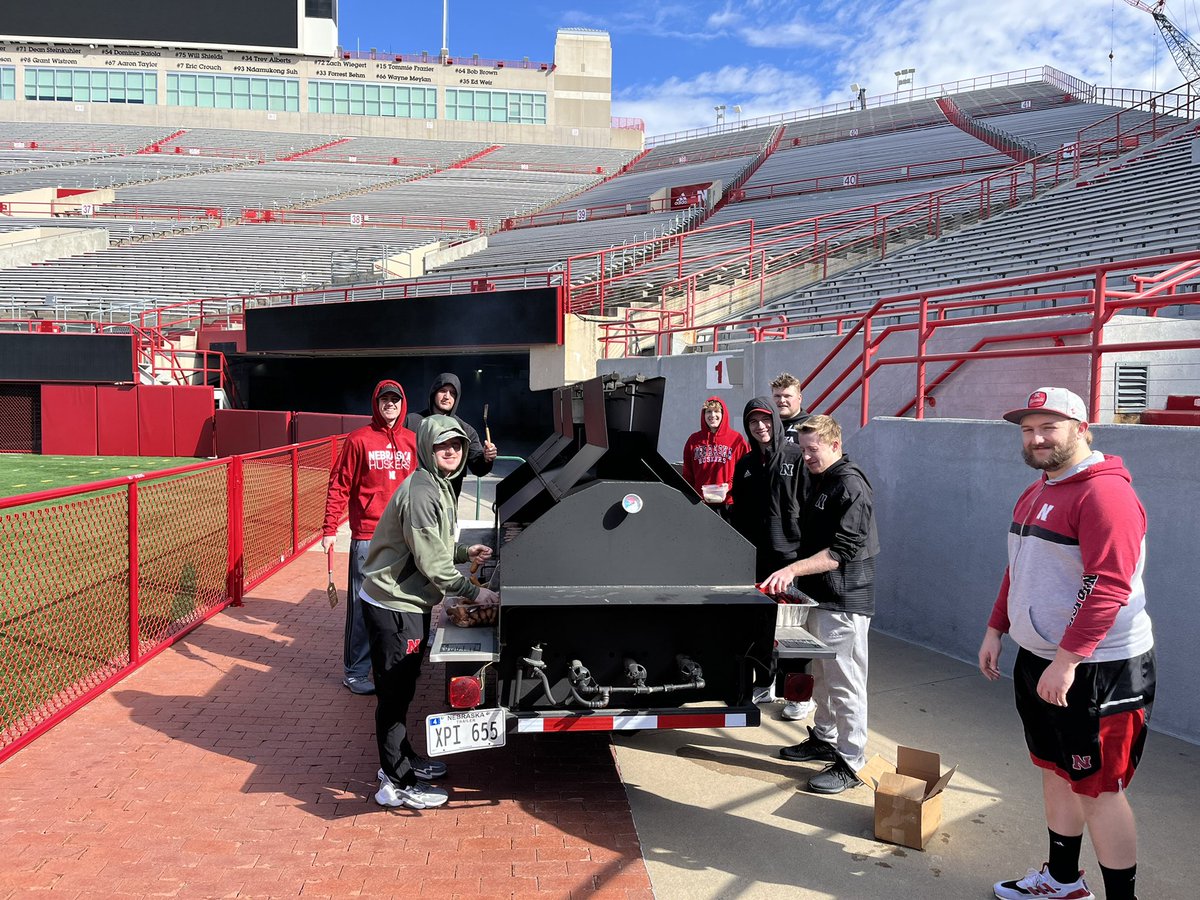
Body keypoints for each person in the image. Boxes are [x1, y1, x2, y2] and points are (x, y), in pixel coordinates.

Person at [979, 387, 1154, 900]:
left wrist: (1067, 660)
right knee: (1057, 771)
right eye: (1028, 429)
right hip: (1042, 659)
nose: (1036, 438)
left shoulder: (1105, 495)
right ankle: (1061, 881)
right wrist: (996, 628)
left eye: (1048, 427)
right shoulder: (1036, 490)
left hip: (1098, 668)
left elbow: (1108, 586)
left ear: (1082, 429)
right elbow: (1020, 569)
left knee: (1099, 790)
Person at [360, 415, 500, 809]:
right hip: (393, 603)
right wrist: (476, 592)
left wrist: (464, 552)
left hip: (409, 600)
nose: (451, 451)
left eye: (457, 444)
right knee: (393, 694)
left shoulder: (437, 484)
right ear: (426, 448)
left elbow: (433, 547)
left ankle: (404, 760)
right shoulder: (422, 492)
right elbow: (432, 565)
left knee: (403, 688)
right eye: (442, 445)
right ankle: (396, 782)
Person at [766, 414, 878, 795]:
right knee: (823, 675)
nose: (807, 456)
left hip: (845, 599)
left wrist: (792, 570)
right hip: (821, 596)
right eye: (803, 449)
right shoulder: (823, 479)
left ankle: (852, 761)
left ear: (835, 444)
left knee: (846, 681)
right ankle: (825, 738)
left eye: (813, 449)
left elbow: (840, 552)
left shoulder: (851, 485)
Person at [321, 380, 417, 695]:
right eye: (385, 399)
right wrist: (330, 528)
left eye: (395, 399)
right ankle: (356, 671)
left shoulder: (412, 441)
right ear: (376, 403)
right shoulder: (359, 439)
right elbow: (340, 483)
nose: (390, 404)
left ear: (402, 404)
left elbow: (424, 488)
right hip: (368, 536)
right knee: (363, 606)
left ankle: (395, 664)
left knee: (402, 604)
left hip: (404, 538)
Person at [729, 398, 809, 717]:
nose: (760, 427)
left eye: (765, 420)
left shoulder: (795, 456)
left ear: (775, 421)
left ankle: (797, 695)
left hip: (790, 557)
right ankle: (765, 682)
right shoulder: (746, 464)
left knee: (791, 630)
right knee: (761, 625)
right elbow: (739, 512)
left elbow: (807, 502)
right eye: (753, 422)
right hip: (758, 557)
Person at [405, 372, 498, 499]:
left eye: (452, 393)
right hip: (413, 497)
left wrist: (486, 458)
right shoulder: (411, 422)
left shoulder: (465, 430)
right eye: (443, 390)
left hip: (448, 500)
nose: (447, 396)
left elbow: (478, 468)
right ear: (434, 392)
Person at [682, 396, 748, 518]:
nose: (712, 415)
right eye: (708, 411)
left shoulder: (736, 439)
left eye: (717, 411)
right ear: (703, 415)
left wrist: (730, 486)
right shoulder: (694, 440)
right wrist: (690, 497)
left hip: (729, 503)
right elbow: (687, 474)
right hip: (701, 503)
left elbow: (745, 471)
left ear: (723, 414)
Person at [771, 372, 810, 444]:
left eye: (787, 396)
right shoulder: (766, 426)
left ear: (799, 398)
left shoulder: (813, 425)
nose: (782, 400)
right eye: (777, 396)